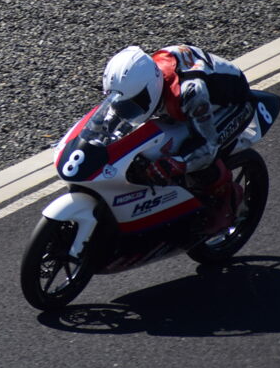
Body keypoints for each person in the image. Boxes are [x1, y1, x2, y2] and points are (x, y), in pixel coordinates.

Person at [101, 44, 255, 234]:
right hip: (189, 97)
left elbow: (208, 146)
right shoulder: (138, 81)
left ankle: (228, 204)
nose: (127, 110)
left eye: (132, 104)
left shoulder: (190, 92)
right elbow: (114, 111)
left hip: (232, 104)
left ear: (150, 90)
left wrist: (174, 164)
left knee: (197, 154)